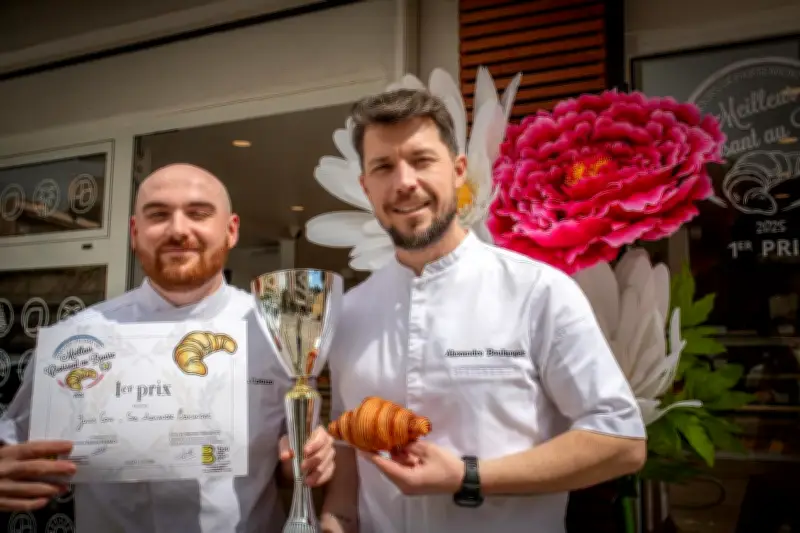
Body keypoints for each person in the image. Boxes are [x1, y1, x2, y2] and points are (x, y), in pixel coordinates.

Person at [318, 89, 648, 533]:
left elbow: (621, 441)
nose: (404, 182)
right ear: (366, 187)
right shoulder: (349, 312)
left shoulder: (538, 291)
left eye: (421, 160)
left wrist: (470, 477)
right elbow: (349, 458)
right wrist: (335, 520)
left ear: (458, 172)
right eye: (383, 167)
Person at [0, 163, 336, 532]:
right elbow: (14, 444)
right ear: (134, 231)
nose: (178, 230)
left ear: (231, 230)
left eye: (198, 213)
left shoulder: (277, 336)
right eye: (159, 215)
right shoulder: (77, 339)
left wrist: (304, 460)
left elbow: (286, 468)